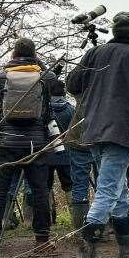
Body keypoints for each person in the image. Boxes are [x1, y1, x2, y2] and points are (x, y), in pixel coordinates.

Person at [66, 13, 129, 258]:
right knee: (109, 189)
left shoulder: (94, 54)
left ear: (114, 30)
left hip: (93, 128)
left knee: (117, 188)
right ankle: (86, 252)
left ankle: (127, 243)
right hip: (123, 130)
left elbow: (72, 83)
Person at [0, 38, 59, 255]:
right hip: (36, 144)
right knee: (40, 190)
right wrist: (40, 64)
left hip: (7, 142)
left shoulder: (1, 76)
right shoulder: (45, 77)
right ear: (34, 54)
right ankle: (42, 240)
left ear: (14, 54)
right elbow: (57, 86)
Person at [43, 80, 75, 221]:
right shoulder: (71, 110)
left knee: (46, 186)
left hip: (46, 154)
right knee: (69, 185)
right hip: (66, 154)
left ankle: (48, 218)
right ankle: (76, 217)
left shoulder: (43, 109)